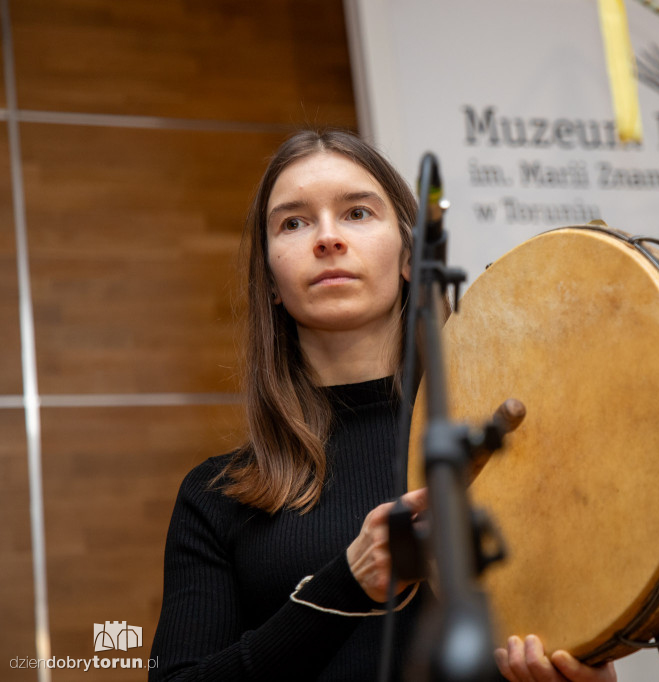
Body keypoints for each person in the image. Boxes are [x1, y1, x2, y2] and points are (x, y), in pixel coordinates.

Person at [150, 128, 617, 682]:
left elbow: (564, 632)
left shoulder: (506, 450)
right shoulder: (217, 498)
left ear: (408, 257)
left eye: (356, 213)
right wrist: (346, 584)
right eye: (293, 222)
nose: (327, 238)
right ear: (271, 278)